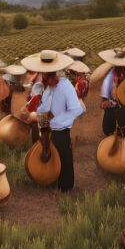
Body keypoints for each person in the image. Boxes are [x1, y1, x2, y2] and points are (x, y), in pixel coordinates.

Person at [22, 50, 83, 192]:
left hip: (60, 131)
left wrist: (56, 120)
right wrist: (32, 115)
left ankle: (65, 187)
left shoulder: (65, 85)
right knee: (45, 156)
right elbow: (39, 108)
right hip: (44, 131)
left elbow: (76, 109)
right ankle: (48, 181)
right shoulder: (42, 86)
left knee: (63, 158)